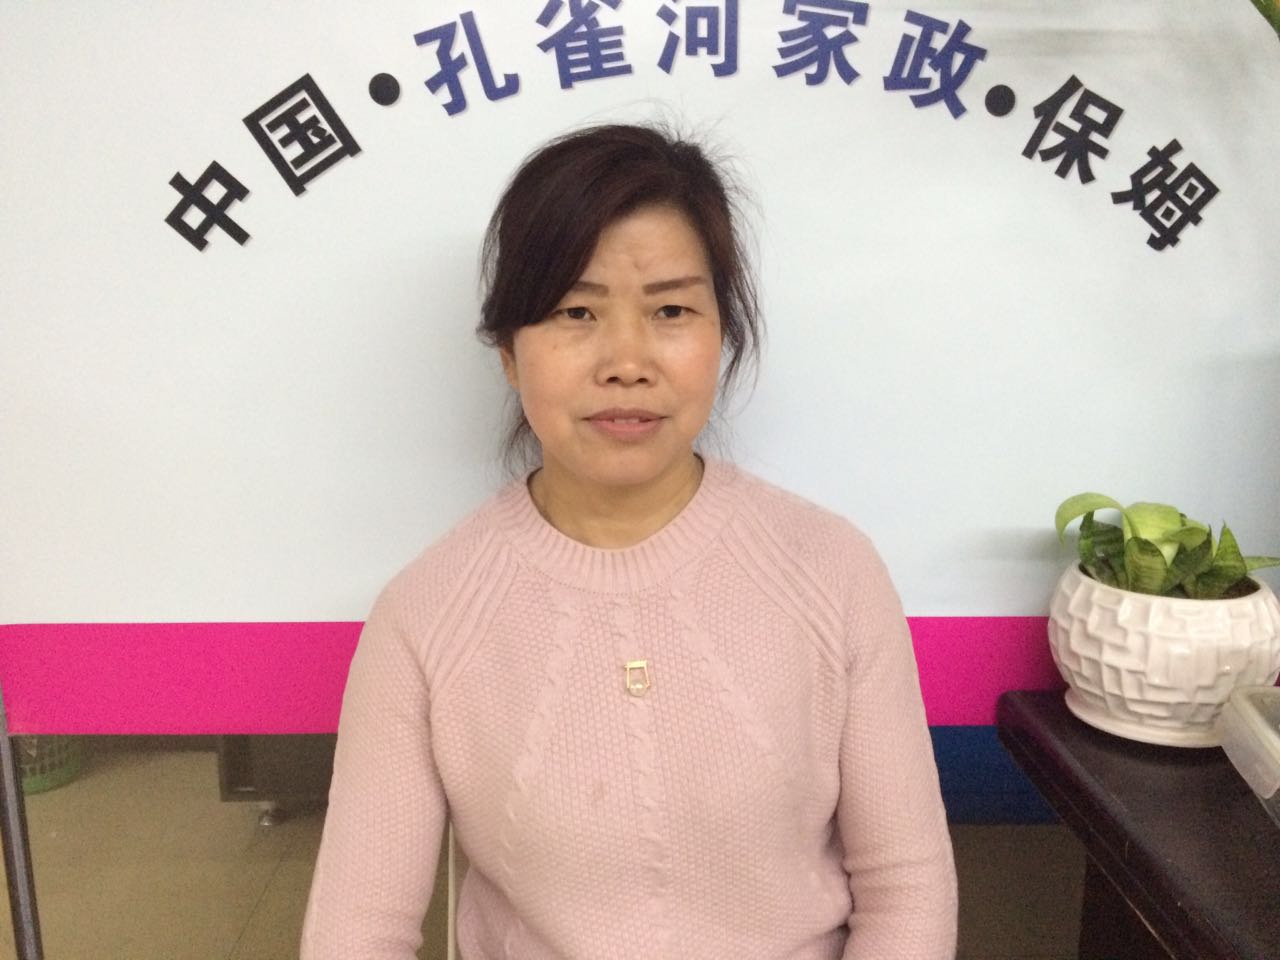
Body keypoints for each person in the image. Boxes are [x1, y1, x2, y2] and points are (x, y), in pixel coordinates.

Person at [300, 123, 957, 960]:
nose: (627, 361)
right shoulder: (424, 617)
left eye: (671, 310)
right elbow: (358, 931)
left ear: (722, 335)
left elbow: (906, 891)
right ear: (509, 351)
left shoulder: (833, 571)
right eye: (576, 312)